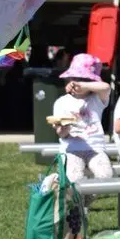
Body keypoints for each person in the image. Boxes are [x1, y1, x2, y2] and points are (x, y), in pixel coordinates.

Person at [50, 52, 114, 183]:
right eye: (74, 78)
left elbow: (106, 87)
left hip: (96, 149)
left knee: (106, 175)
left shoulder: (96, 99)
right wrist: (64, 127)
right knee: (74, 178)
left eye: (83, 79)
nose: (76, 83)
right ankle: (77, 197)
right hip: (71, 150)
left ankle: (88, 196)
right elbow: (61, 134)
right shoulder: (61, 102)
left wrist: (84, 86)